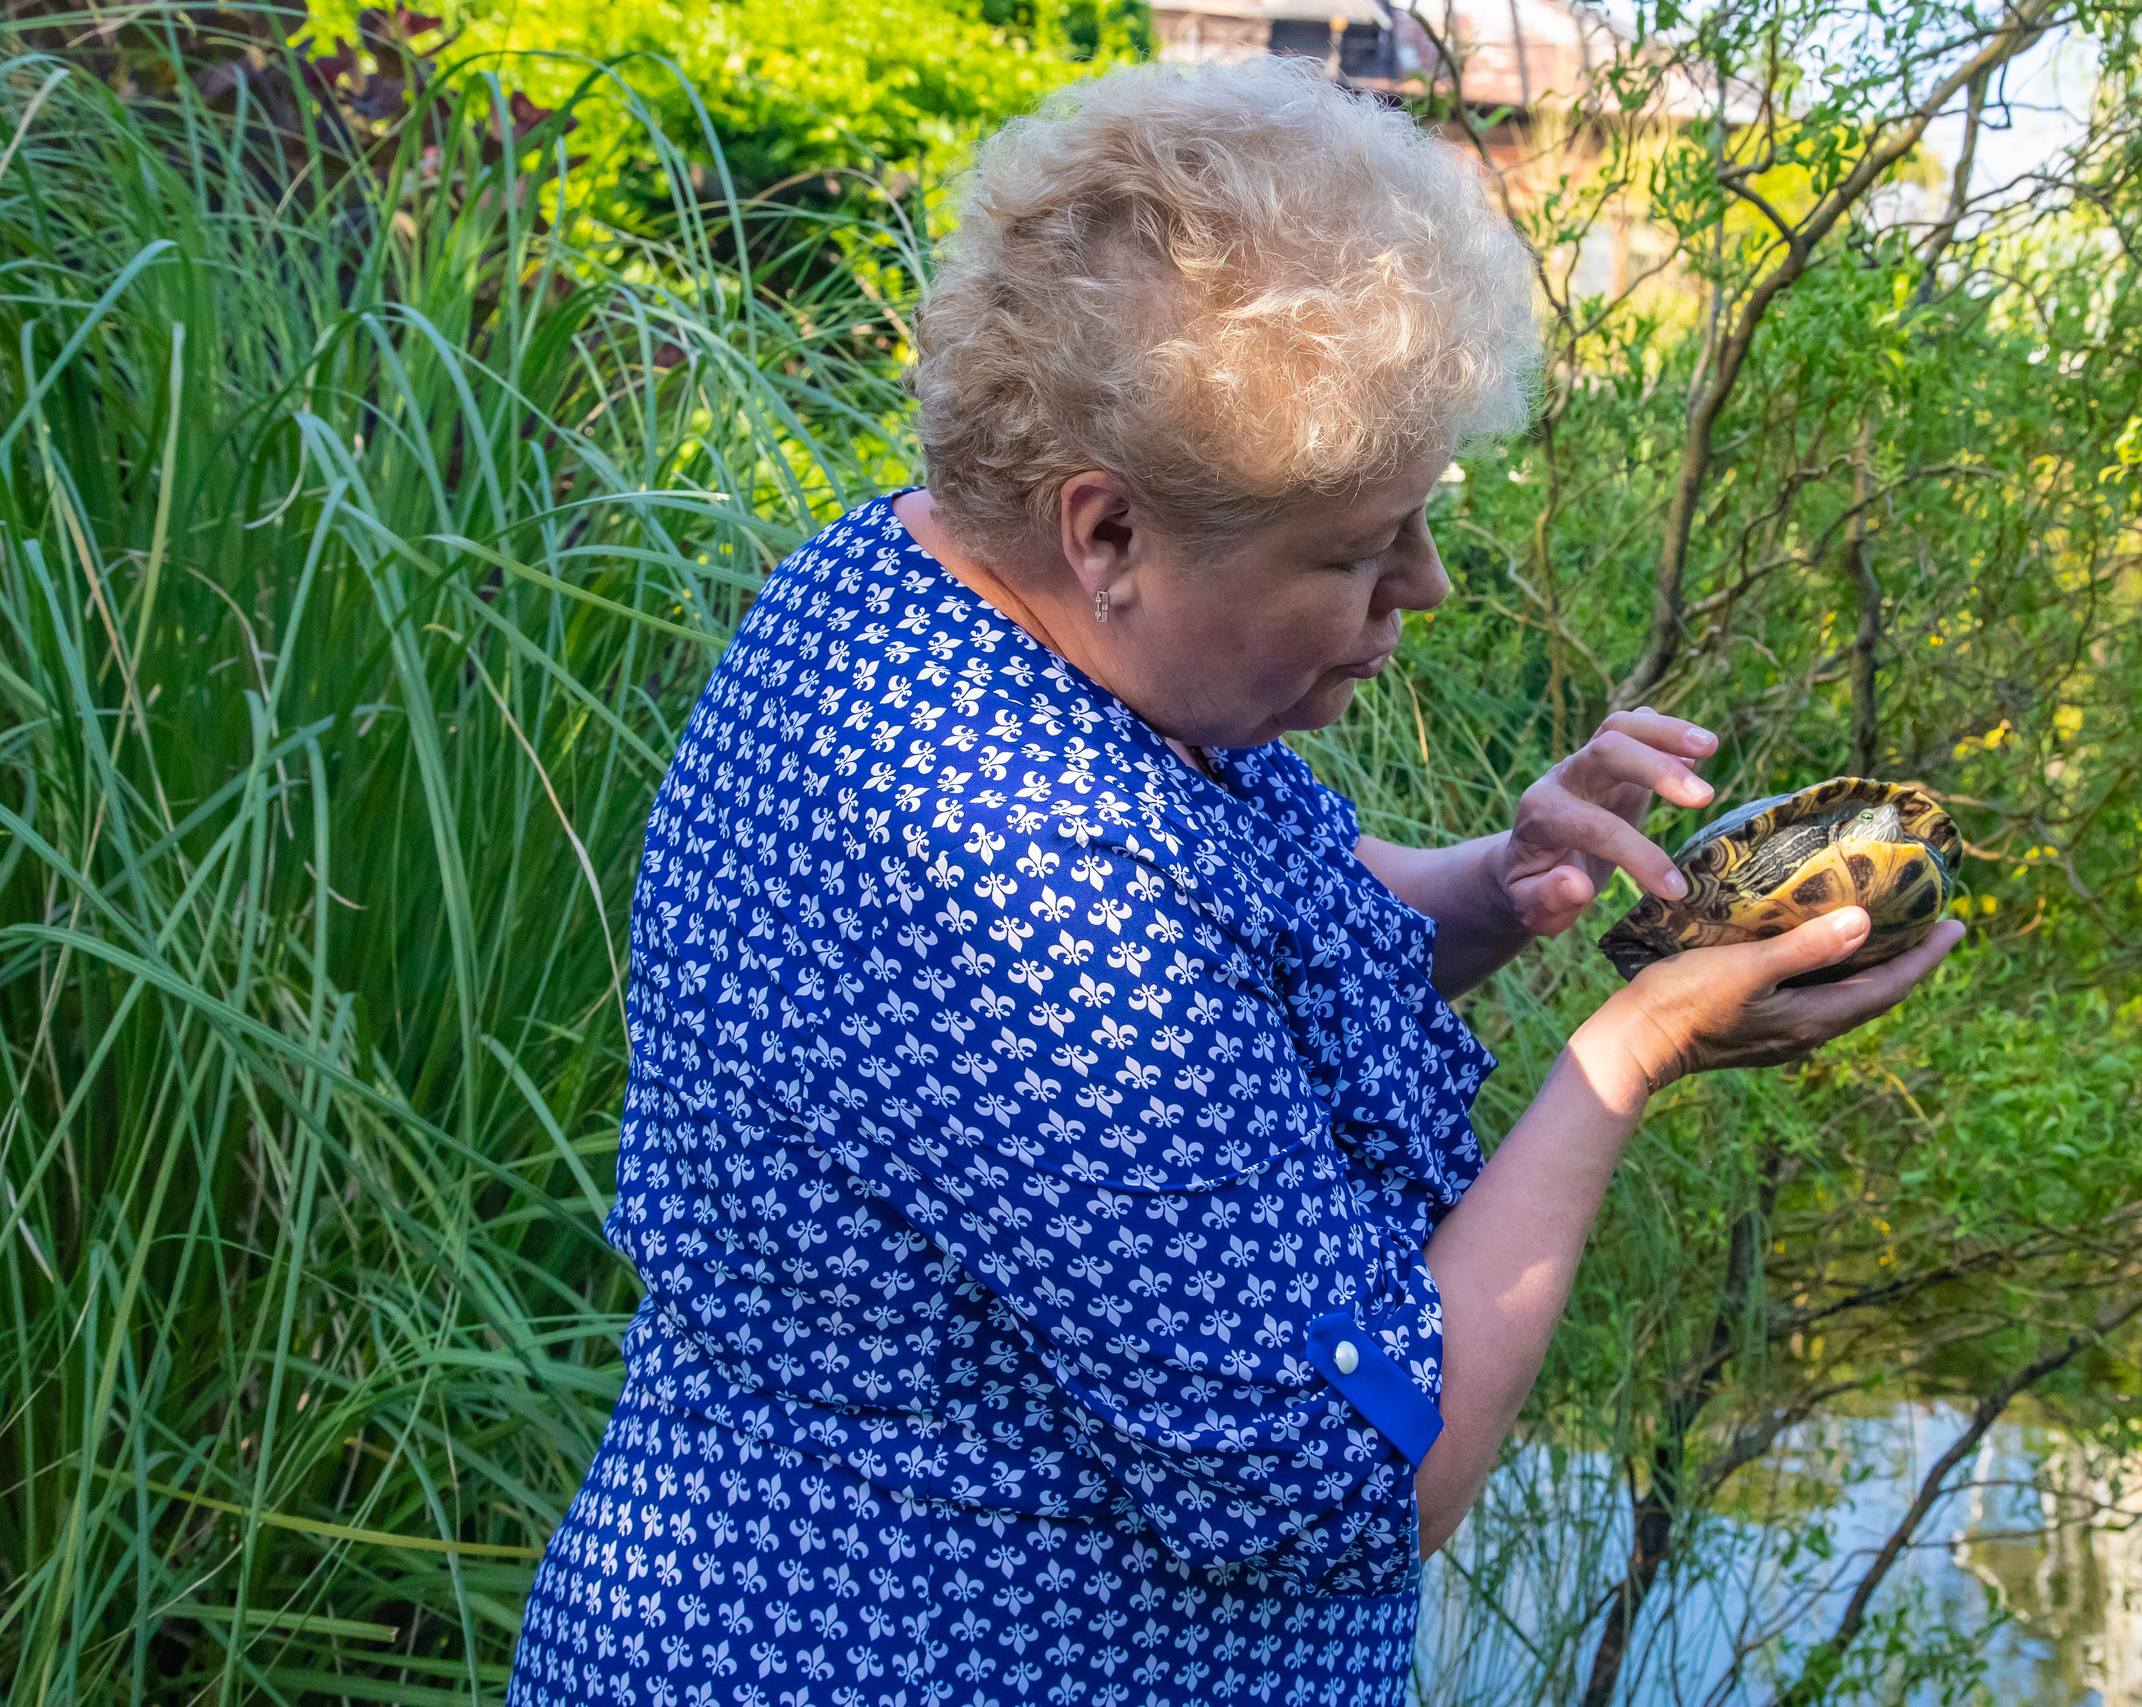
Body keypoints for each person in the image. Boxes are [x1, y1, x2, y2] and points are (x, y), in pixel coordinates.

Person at [506, 53, 1961, 1707]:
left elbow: (1235, 953)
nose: (1419, 588)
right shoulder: (1022, 866)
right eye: (1352, 551)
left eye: (1420, 521)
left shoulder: (923, 589)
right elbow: (1363, 1475)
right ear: (1107, 531)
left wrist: (1503, 882)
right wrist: (1630, 1052)